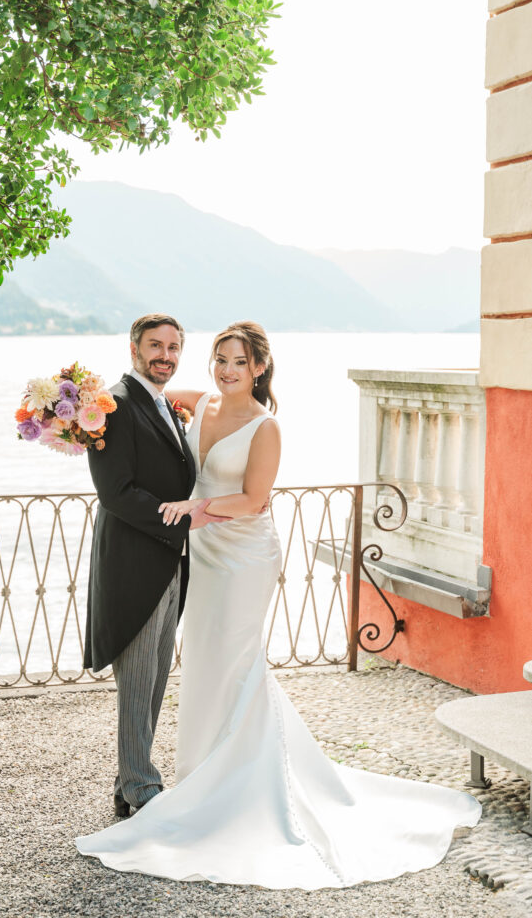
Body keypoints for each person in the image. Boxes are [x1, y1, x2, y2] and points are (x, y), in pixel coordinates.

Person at [76, 321, 481, 888]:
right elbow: (151, 418)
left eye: (239, 361)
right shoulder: (196, 403)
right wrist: (80, 411)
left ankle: (243, 781)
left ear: (259, 368)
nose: (226, 369)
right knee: (206, 664)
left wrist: (188, 511)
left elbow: (254, 498)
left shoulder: (266, 428)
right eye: (220, 358)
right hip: (203, 554)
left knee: (237, 661)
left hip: (242, 554)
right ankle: (200, 774)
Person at [83, 313, 222, 819]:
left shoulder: (164, 404)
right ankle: (141, 789)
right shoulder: (114, 406)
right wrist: (186, 521)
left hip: (168, 561)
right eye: (155, 345)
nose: (165, 355)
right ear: (134, 348)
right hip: (134, 562)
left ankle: (130, 782)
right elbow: (115, 493)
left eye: (173, 347)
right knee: (138, 681)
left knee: (155, 678)